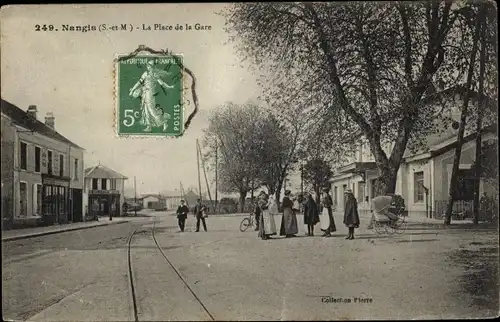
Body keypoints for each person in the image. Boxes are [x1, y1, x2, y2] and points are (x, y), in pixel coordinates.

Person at [129, 60, 175, 132]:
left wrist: (169, 87)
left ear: (153, 67)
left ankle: (164, 122)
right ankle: (149, 126)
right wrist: (132, 90)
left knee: (151, 109)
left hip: (150, 94)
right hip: (145, 93)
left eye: (149, 66)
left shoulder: (155, 75)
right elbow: (139, 82)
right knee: (146, 109)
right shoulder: (145, 74)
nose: (148, 67)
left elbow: (162, 83)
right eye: (147, 66)